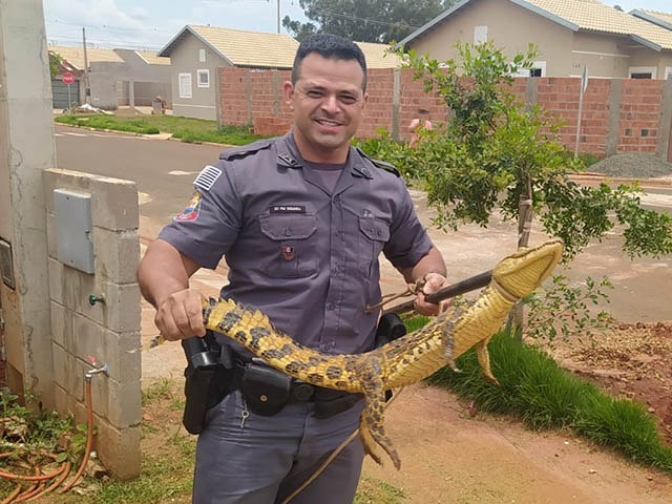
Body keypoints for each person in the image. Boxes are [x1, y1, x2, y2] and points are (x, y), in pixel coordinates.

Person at [137, 33, 450, 504]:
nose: (332, 107)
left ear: (363, 102)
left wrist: (431, 281)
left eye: (346, 96)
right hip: (250, 412)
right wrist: (170, 296)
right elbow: (164, 258)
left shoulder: (384, 188)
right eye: (316, 92)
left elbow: (421, 256)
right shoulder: (242, 175)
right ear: (290, 94)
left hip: (342, 414)